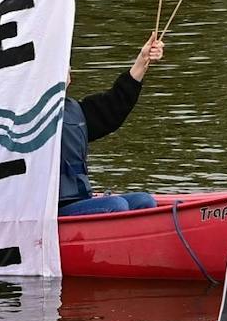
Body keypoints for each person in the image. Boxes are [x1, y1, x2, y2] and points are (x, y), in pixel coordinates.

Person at [60, 32, 165, 216]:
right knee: (116, 205)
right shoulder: (27, 118)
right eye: (64, 68)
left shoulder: (77, 111)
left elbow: (115, 104)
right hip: (49, 210)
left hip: (79, 199)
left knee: (144, 201)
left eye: (68, 70)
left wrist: (142, 60)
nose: (69, 74)